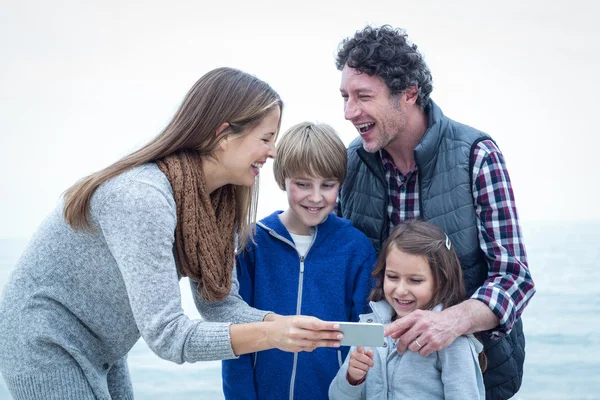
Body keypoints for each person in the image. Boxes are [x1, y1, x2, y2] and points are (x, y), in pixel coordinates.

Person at [0, 68, 344, 400]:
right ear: (224, 135)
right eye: (266, 138)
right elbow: (168, 336)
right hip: (44, 340)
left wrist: (285, 325)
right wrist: (272, 335)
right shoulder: (142, 197)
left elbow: (219, 305)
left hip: (104, 345)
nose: (273, 152)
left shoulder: (217, 203)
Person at [335, 25, 535, 399]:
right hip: (381, 381)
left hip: (475, 375)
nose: (349, 111)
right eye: (345, 96)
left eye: (363, 96)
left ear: (408, 93)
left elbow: (514, 278)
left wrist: (450, 323)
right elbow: (335, 264)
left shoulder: (477, 155)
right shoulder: (351, 164)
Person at [221, 121, 377, 400]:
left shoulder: (356, 248)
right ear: (283, 180)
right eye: (303, 184)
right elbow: (235, 333)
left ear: (340, 184)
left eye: (327, 185)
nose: (315, 197)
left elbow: (365, 340)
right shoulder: (251, 243)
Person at [329, 220, 486, 399]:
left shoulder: (450, 340)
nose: (401, 290)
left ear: (441, 280)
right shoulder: (368, 327)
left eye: (415, 280)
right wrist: (352, 378)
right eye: (393, 276)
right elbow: (336, 396)